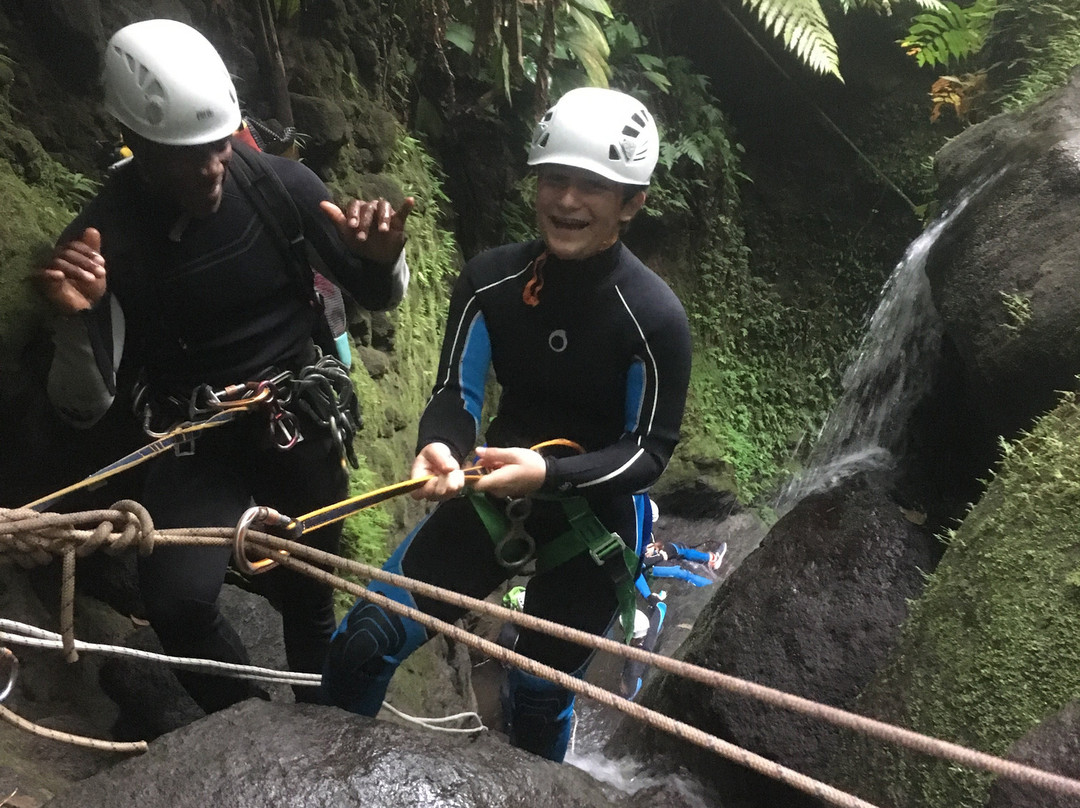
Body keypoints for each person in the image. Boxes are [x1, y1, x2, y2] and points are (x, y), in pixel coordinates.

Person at [37, 19, 412, 712]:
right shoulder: (104, 240)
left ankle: (324, 727)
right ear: (139, 144)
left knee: (309, 593)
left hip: (296, 420)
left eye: (217, 147)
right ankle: (246, 725)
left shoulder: (280, 188)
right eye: (188, 156)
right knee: (177, 604)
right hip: (193, 440)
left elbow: (371, 296)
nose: (212, 168)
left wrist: (383, 261)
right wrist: (73, 320)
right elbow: (83, 404)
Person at [323, 86, 692, 761]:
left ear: (632, 202)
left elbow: (647, 452)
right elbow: (455, 395)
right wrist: (440, 445)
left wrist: (549, 473)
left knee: (539, 694)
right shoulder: (491, 282)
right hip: (494, 492)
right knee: (364, 643)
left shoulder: (654, 317)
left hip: (595, 522)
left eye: (592, 186)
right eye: (554, 179)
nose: (567, 201)